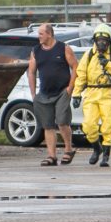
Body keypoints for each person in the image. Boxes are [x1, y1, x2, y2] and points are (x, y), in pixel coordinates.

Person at [71, 23, 111, 167]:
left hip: (108, 93)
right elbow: (81, 74)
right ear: (94, 41)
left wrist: (107, 64)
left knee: (107, 126)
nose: (101, 43)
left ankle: (106, 155)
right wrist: (76, 94)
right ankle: (97, 148)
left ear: (109, 41)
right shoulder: (89, 55)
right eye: (99, 40)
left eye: (105, 40)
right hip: (91, 92)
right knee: (88, 126)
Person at [28, 23, 79, 166]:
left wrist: (70, 87)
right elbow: (31, 72)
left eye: (41, 34)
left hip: (62, 92)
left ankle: (68, 149)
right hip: (44, 93)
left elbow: (75, 66)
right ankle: (52, 156)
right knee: (48, 125)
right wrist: (33, 94)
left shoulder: (63, 48)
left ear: (49, 34)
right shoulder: (35, 51)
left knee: (62, 122)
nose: (38, 36)